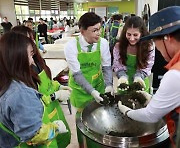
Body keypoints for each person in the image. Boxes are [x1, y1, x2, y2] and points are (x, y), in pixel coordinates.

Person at [118, 6, 180, 148]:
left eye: (157, 44)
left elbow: (151, 116)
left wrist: (127, 112)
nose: (158, 50)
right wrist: (153, 100)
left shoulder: (175, 74)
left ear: (167, 38)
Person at [0, 32, 68, 148]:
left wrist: (57, 88)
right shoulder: (19, 94)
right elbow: (33, 135)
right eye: (30, 55)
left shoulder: (6, 82)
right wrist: (56, 128)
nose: (32, 61)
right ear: (18, 58)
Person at [64, 12, 113, 147]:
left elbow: (107, 67)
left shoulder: (103, 43)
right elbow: (77, 74)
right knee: (82, 122)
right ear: (82, 31)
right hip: (80, 91)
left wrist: (109, 85)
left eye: (100, 29)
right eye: (94, 30)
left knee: (100, 121)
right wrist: (91, 92)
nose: (99, 33)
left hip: (98, 85)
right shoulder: (71, 47)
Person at [113, 16, 155, 93]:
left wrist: (139, 76)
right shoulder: (118, 47)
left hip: (140, 83)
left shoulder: (149, 47)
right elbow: (117, 65)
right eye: (129, 34)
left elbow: (148, 65)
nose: (132, 38)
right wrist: (122, 76)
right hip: (124, 84)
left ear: (141, 34)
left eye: (135, 35)